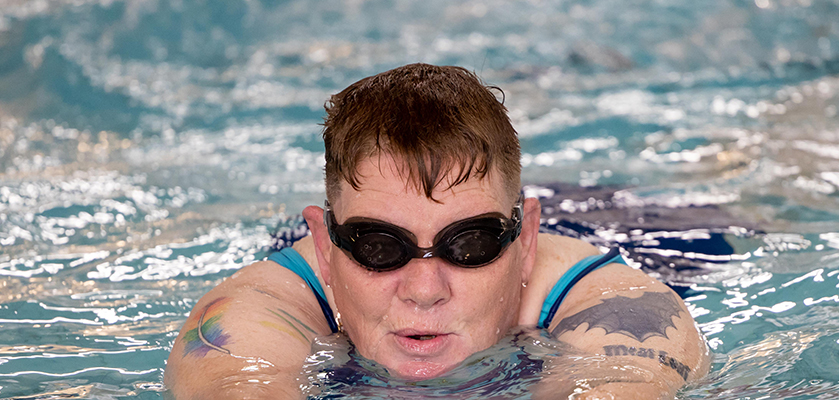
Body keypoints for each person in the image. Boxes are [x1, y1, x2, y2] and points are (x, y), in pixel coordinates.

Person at [164, 63, 709, 399]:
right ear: (326, 248)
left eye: (470, 244)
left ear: (525, 240)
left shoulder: (617, 305)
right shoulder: (259, 310)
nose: (424, 290)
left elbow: (621, 389)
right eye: (380, 247)